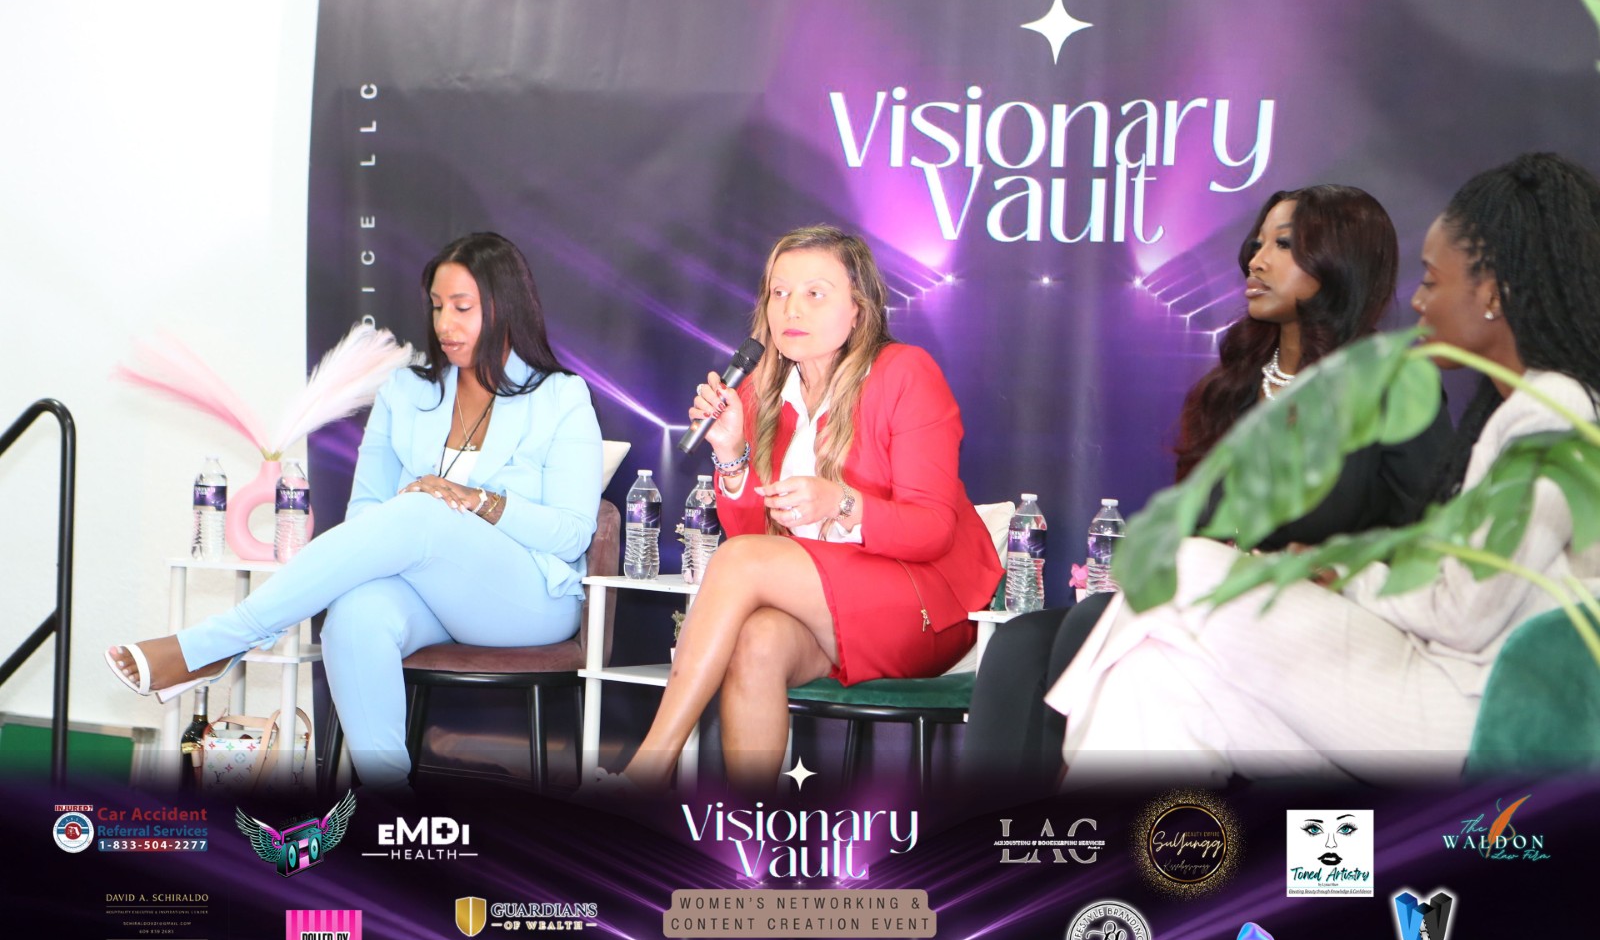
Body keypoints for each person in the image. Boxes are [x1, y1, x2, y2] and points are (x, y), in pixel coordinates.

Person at [1045, 152, 1600, 785]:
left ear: (1492, 294)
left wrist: (1336, 573)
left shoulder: (1547, 415)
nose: (1418, 302)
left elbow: (1462, 615)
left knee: (1183, 568)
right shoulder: (1531, 407)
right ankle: (1110, 842)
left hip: (1460, 708)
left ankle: (1061, 788)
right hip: (1429, 680)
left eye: (1431, 281)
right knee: (1154, 680)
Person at [964, 185, 1450, 792]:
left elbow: (1431, 547)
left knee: (1091, 623)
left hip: (1325, 623)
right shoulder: (1233, 389)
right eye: (1257, 244)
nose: (1256, 261)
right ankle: (1000, 831)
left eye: (1284, 245)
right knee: (1021, 641)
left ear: (1342, 263)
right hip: (1211, 604)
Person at [106, 232, 603, 790]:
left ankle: (220, 643)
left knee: (426, 510)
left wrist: (479, 502)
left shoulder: (561, 397)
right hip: (429, 593)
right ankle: (388, 803)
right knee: (354, 615)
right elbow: (368, 512)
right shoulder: (405, 392)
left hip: (531, 599)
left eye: (462, 308)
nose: (444, 324)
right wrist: (423, 511)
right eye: (437, 307)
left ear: (505, 307)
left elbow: (571, 534)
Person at [610, 225, 1001, 793]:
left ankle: (647, 771)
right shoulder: (761, 391)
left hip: (922, 605)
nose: (791, 308)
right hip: (822, 609)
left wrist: (842, 501)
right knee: (757, 641)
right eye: (779, 292)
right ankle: (748, 830)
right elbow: (754, 536)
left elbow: (933, 531)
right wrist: (732, 454)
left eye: (815, 293)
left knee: (742, 563)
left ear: (858, 309)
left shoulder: (904, 373)